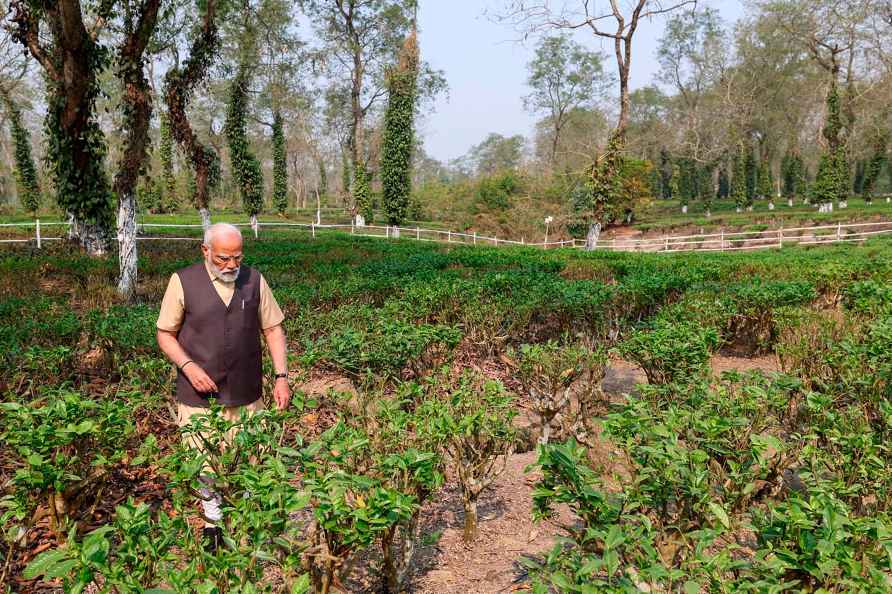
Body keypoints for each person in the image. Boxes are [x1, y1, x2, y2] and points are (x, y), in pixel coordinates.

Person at [155, 222, 290, 552]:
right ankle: (213, 523)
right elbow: (164, 334)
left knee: (251, 457)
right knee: (204, 464)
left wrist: (281, 376)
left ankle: (245, 518)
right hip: (199, 397)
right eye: (223, 258)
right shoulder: (182, 281)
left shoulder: (254, 280)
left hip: (246, 393)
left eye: (237, 258)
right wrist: (188, 366)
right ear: (205, 251)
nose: (231, 265)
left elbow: (273, 329)